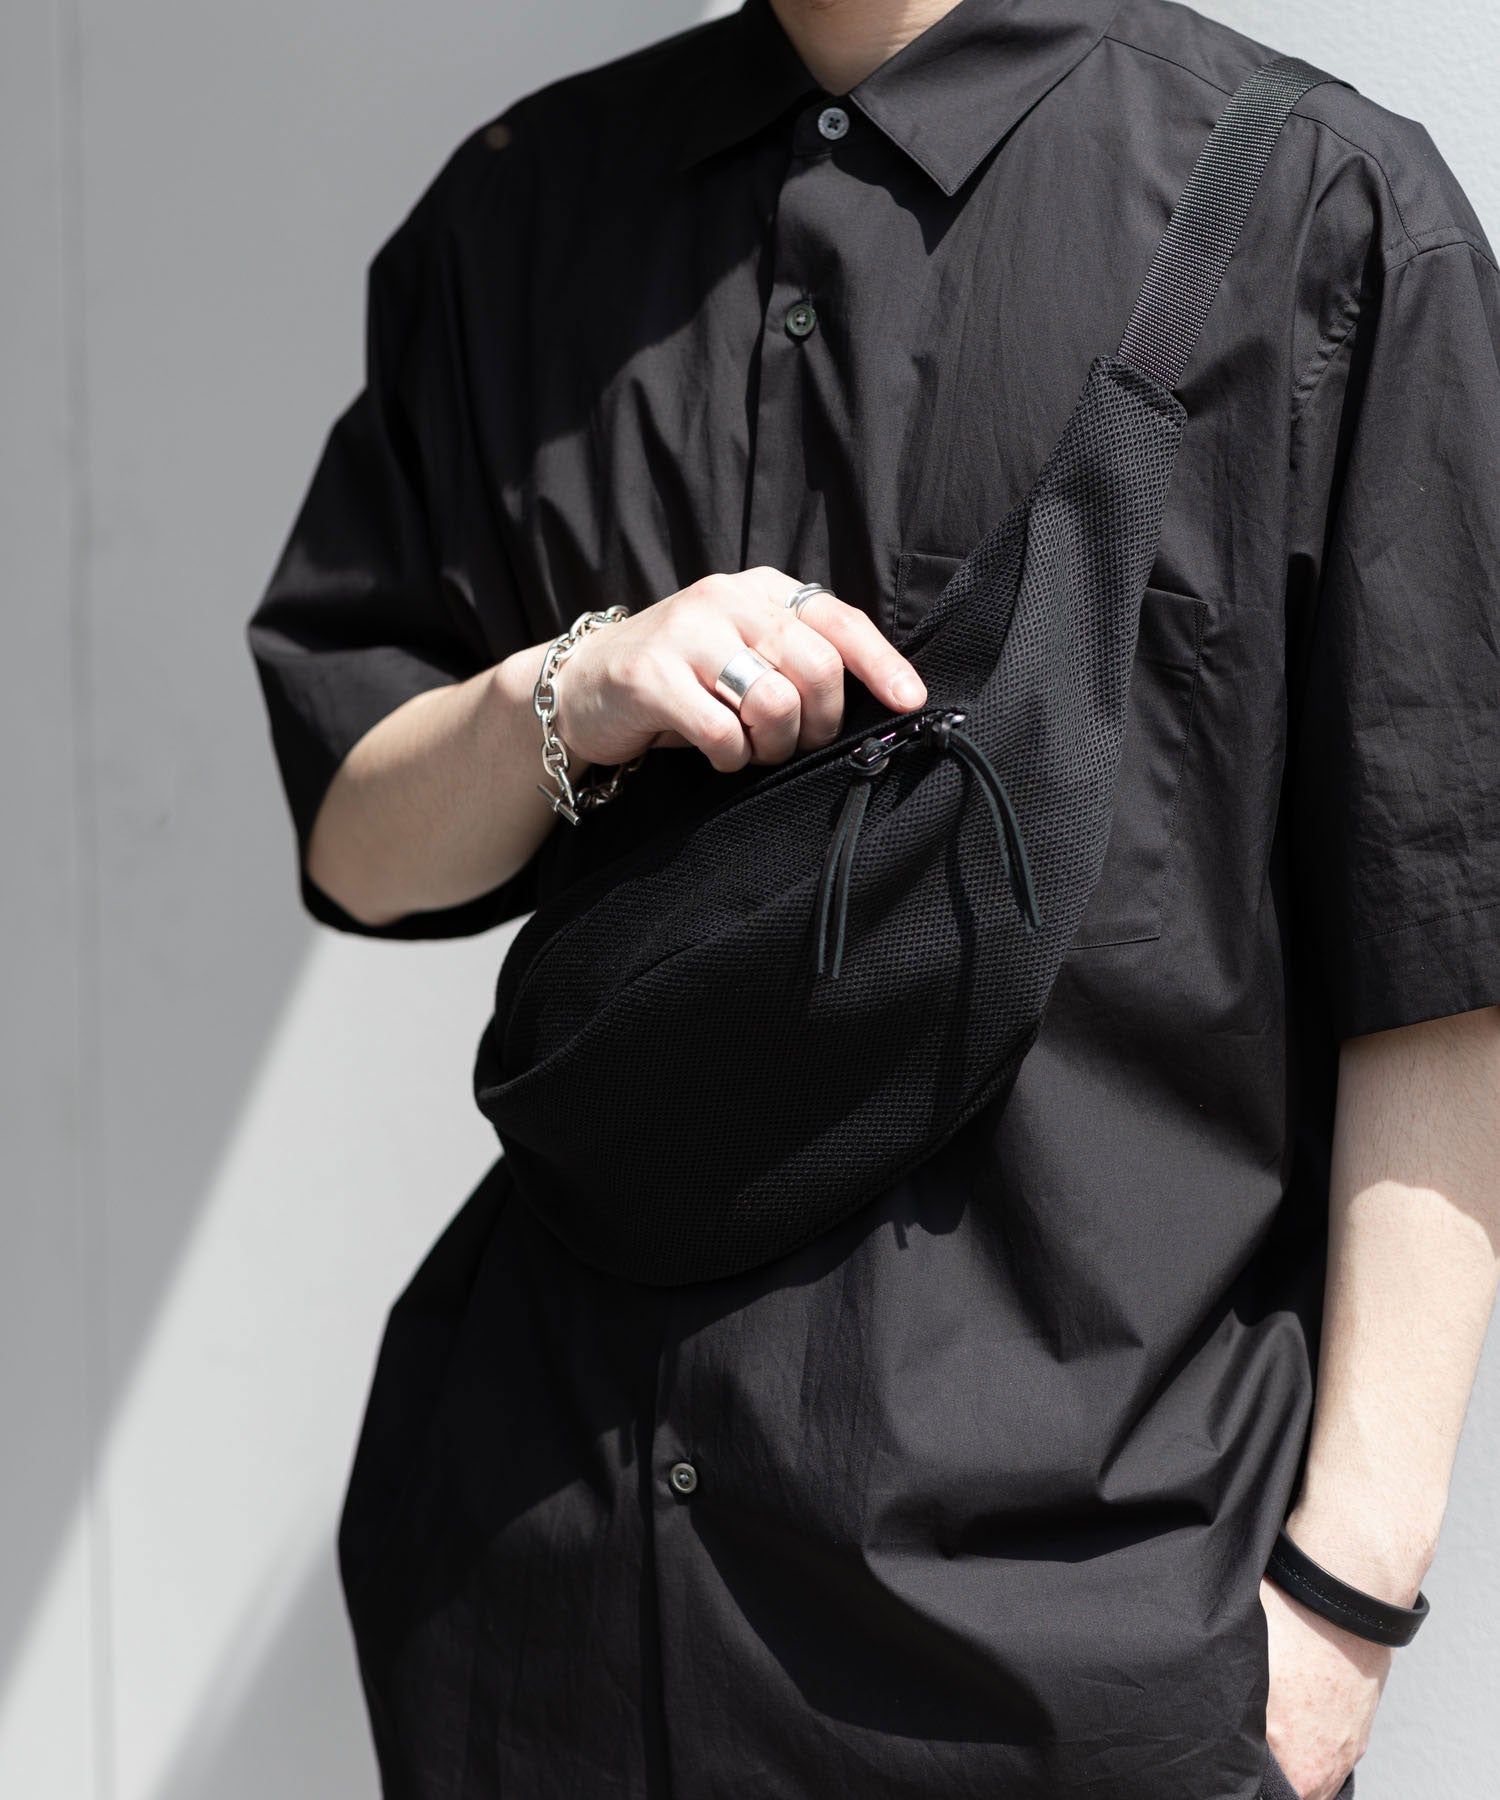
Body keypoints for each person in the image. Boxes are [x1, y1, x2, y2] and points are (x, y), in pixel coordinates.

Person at [243, 0, 1500, 1795]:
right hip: (551, 1598)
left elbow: (1445, 940)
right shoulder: (522, 214)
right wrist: (571, 689)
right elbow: (356, 844)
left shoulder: (1318, 208)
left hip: (1069, 1643)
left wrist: (1348, 1601)